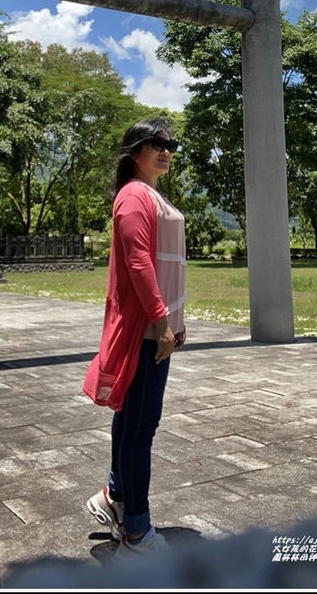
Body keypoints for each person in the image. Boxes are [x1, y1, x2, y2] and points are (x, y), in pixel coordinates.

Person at [83, 118, 186, 556]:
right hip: (147, 331)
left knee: (131, 418)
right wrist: (162, 321)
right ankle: (138, 532)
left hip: (157, 328)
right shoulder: (133, 197)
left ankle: (116, 498)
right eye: (155, 143)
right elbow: (140, 263)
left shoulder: (149, 194)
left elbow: (162, 265)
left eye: (170, 144)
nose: (165, 150)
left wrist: (175, 321)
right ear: (134, 152)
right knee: (140, 426)